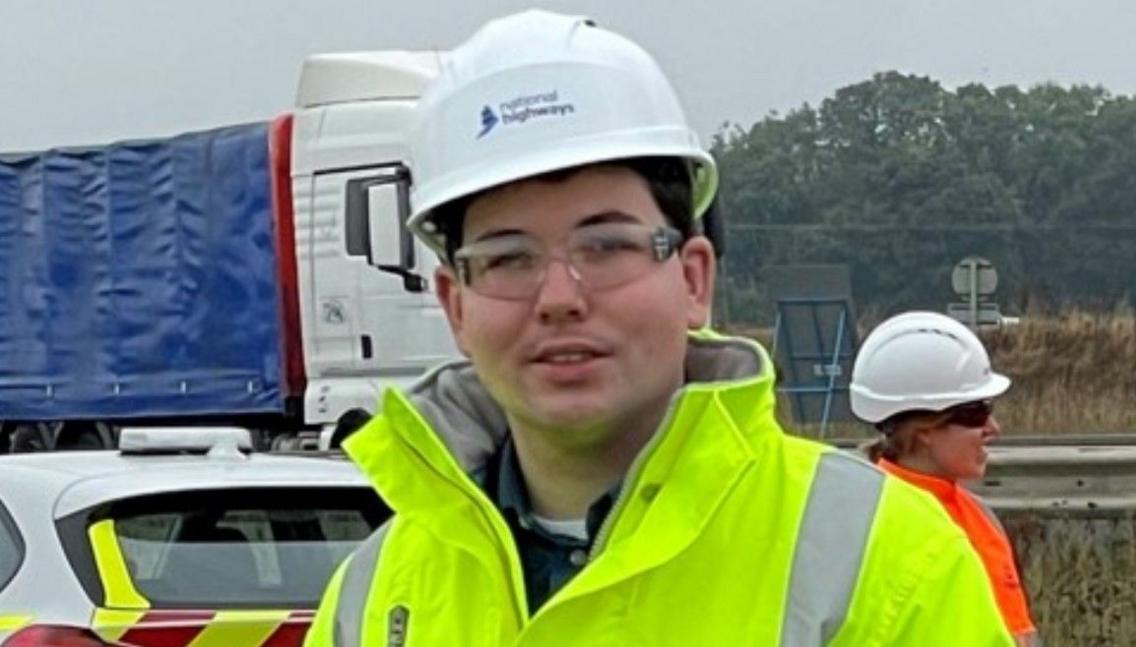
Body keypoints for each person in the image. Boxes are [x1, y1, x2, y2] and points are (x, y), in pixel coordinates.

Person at [306, 11, 1014, 646]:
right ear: (455, 303)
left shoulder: (885, 562)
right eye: (508, 257)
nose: (558, 297)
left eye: (605, 245)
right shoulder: (371, 600)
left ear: (694, 279)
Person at [850, 311, 1039, 646]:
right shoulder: (864, 526)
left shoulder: (980, 517)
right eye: (975, 414)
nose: (993, 429)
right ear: (923, 430)